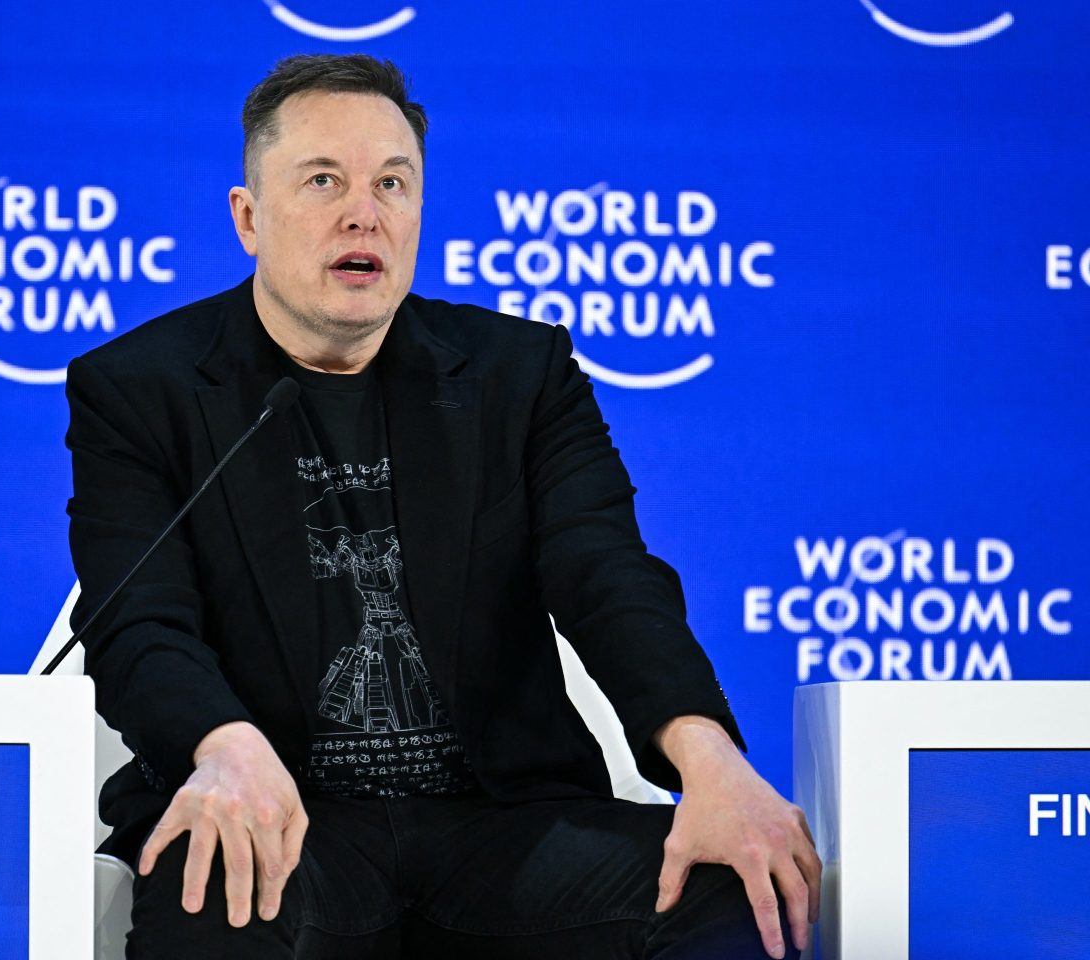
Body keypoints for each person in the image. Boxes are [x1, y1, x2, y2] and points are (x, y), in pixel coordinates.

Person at [65, 54, 820, 959]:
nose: (363, 211)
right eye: (323, 180)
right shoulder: (140, 388)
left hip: (502, 829)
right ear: (249, 219)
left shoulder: (519, 376)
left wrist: (708, 758)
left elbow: (605, 573)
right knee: (209, 897)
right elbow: (138, 621)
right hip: (289, 823)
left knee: (731, 895)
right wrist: (220, 744)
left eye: (393, 182)